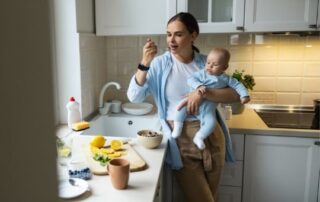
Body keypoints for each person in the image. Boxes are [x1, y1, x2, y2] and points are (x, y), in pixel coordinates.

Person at [127, 12, 240, 202]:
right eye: (168, 34)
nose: (171, 40)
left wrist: (202, 93)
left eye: (178, 34)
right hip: (181, 139)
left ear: (193, 35)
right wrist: (144, 63)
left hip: (212, 134)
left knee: (212, 196)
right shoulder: (159, 64)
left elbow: (235, 94)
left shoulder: (208, 63)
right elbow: (134, 96)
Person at [171, 48, 250, 150]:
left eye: (215, 64)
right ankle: (177, 127)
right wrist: (198, 86)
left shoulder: (226, 78)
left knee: (211, 122)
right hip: (190, 102)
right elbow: (191, 79)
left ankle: (199, 137)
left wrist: (244, 95)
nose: (210, 66)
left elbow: (238, 85)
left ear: (224, 67)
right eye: (208, 63)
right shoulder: (202, 73)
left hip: (208, 109)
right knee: (180, 108)